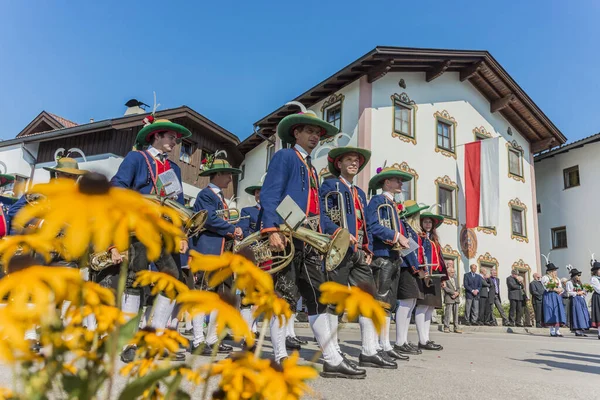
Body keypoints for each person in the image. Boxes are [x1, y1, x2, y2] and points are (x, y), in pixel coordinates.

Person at [259, 102, 365, 379]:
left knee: (318, 297)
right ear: (296, 133)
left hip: (308, 239)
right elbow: (270, 194)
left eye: (318, 132)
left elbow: (316, 209)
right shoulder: (285, 157)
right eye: (309, 131)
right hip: (285, 234)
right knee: (284, 296)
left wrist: (331, 233)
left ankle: (331, 359)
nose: (315, 136)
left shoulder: (313, 168)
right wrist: (271, 229)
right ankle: (280, 356)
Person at [109, 115, 191, 362]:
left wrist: (181, 234)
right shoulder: (136, 158)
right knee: (135, 282)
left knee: (172, 279)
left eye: (175, 139)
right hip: (140, 229)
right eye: (170, 137)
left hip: (166, 232)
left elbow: (178, 204)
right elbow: (118, 186)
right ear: (155, 136)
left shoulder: (174, 168)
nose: (174, 142)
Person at [321, 146, 396, 369]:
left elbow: (367, 226)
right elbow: (324, 216)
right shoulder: (330, 185)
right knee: (336, 301)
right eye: (349, 160)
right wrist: (339, 233)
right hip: (339, 248)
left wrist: (369, 248)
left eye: (356, 161)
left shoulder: (361, 193)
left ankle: (369, 351)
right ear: (339, 164)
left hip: (359, 253)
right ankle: (332, 350)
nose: (354, 163)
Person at [190, 150, 243, 355]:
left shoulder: (220, 198)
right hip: (208, 251)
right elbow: (209, 219)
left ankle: (211, 339)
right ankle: (197, 340)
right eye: (227, 174)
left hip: (222, 253)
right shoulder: (205, 195)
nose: (230, 178)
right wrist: (231, 229)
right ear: (217, 175)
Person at [367, 167, 415, 359]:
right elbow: (373, 226)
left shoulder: (392, 204)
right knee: (380, 300)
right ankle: (376, 344)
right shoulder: (378, 201)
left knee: (388, 303)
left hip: (393, 256)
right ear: (387, 183)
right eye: (397, 180)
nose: (401, 184)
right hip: (382, 255)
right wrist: (396, 235)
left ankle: (384, 343)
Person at [415, 211, 447, 350]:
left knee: (430, 307)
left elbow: (439, 259)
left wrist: (442, 277)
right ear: (421, 224)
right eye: (425, 222)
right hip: (425, 273)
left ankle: (426, 338)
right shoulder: (419, 238)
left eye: (430, 222)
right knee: (422, 306)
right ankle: (421, 339)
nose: (427, 224)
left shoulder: (434, 240)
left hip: (435, 275)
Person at [540, 259, 566, 337]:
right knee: (550, 311)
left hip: (557, 296)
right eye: (554, 270)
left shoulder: (557, 279)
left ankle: (557, 331)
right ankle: (552, 331)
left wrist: (560, 290)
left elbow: (561, 287)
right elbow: (546, 287)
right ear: (550, 271)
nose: (556, 272)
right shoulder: (545, 277)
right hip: (549, 296)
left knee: (557, 311)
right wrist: (556, 289)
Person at [565, 266, 590, 336]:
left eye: (579, 275)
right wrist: (577, 293)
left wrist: (585, 292)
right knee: (577, 314)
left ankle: (582, 330)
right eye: (578, 275)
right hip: (575, 299)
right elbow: (568, 292)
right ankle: (577, 330)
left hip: (581, 300)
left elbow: (583, 292)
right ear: (574, 276)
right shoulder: (569, 283)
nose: (579, 277)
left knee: (583, 314)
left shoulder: (579, 284)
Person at [442, 261, 462, 333]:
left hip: (456, 298)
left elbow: (458, 287)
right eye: (452, 272)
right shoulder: (445, 279)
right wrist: (453, 292)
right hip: (449, 298)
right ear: (448, 272)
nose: (453, 273)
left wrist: (457, 293)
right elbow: (445, 288)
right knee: (448, 313)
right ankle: (446, 327)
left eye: (454, 272)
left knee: (456, 314)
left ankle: (456, 327)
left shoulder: (455, 279)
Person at [589, 259, 600, 339]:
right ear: (596, 271)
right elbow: (598, 289)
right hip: (598, 297)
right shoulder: (594, 279)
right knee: (599, 314)